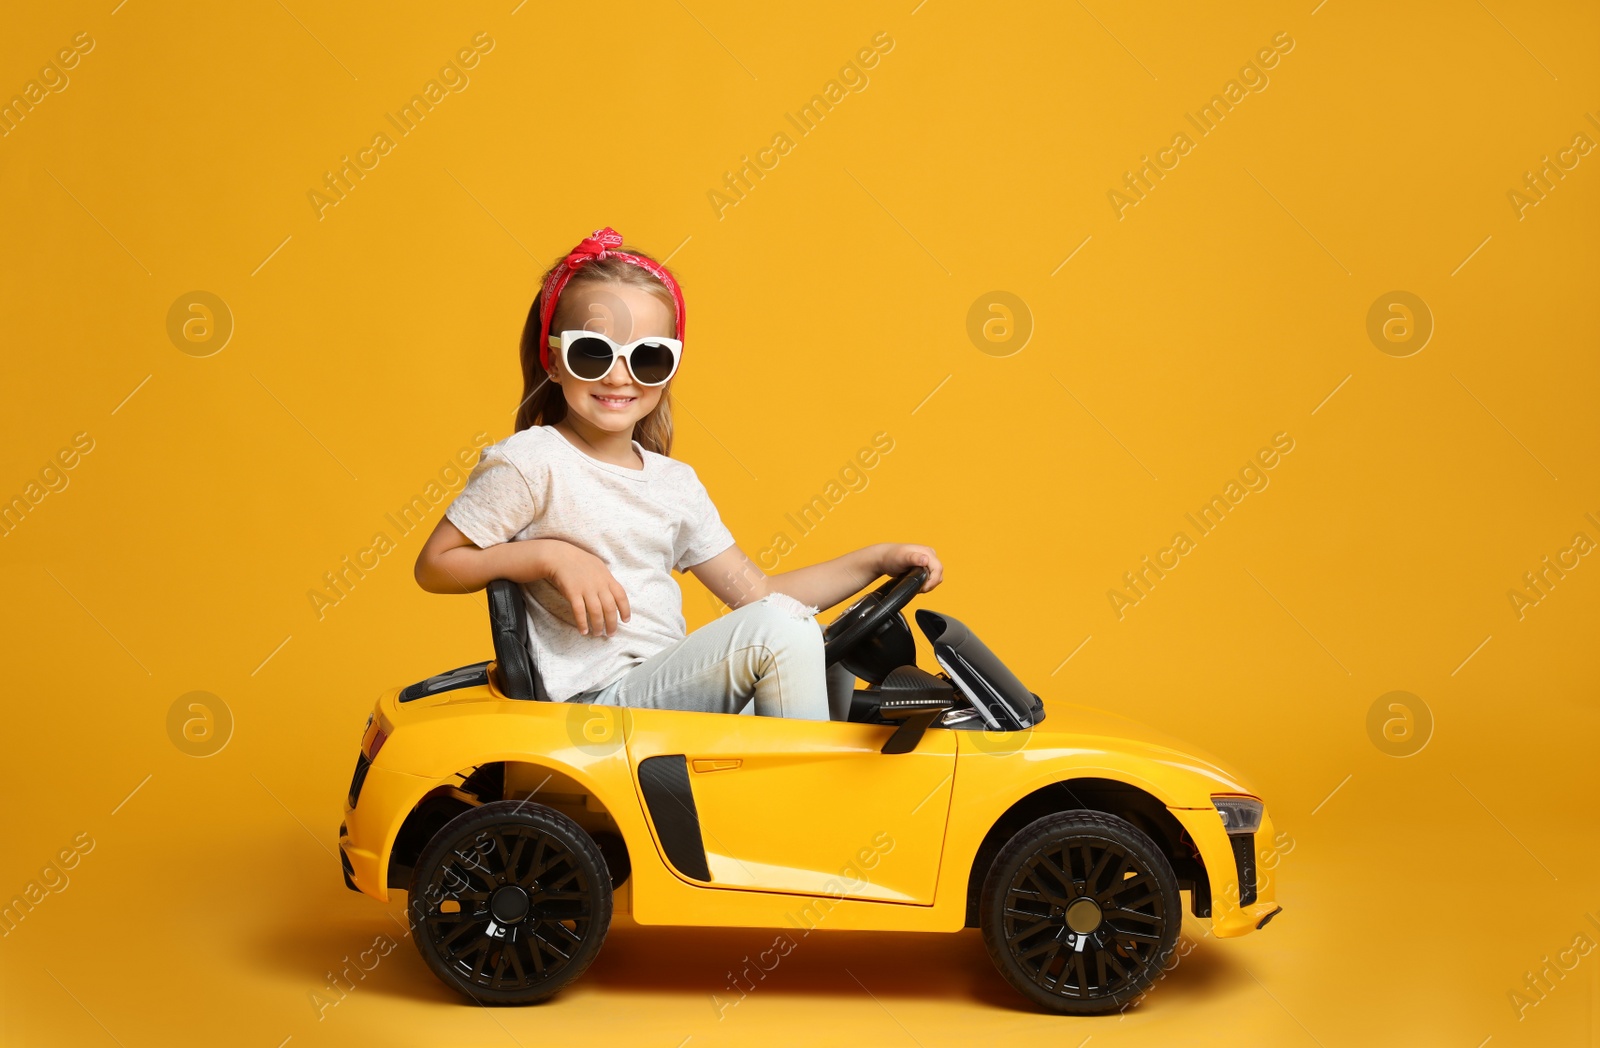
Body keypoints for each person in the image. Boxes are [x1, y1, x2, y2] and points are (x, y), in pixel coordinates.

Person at [413, 226, 943, 721]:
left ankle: (813, 794)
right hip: (600, 709)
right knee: (782, 630)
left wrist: (875, 560)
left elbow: (758, 595)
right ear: (553, 360)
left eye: (646, 359)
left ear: (669, 369)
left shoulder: (675, 484)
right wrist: (549, 556)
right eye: (593, 353)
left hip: (668, 694)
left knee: (825, 647)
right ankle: (806, 807)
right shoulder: (533, 461)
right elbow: (435, 566)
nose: (619, 375)